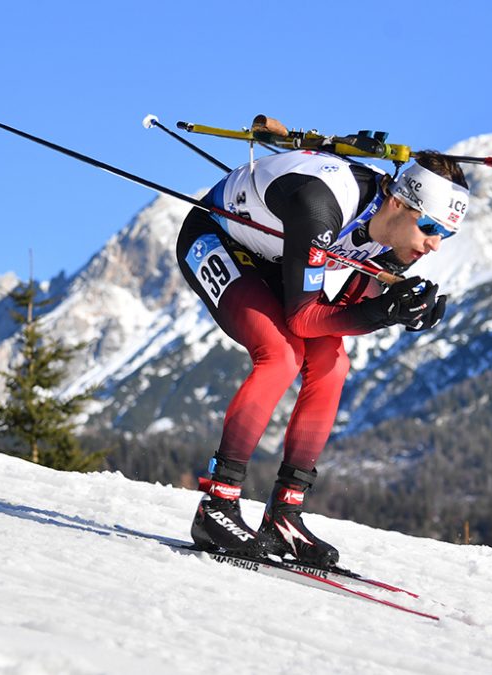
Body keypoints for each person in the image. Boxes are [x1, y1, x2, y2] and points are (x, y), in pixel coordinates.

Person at [175, 147, 470, 567]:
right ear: (400, 203)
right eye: (429, 226)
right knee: (281, 354)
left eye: (448, 234)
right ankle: (217, 506)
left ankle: (284, 514)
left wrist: (405, 310)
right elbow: (304, 318)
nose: (435, 244)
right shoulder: (321, 204)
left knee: (332, 365)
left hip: (275, 254)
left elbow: (351, 308)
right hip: (216, 235)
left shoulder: (394, 235)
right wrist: (382, 313)